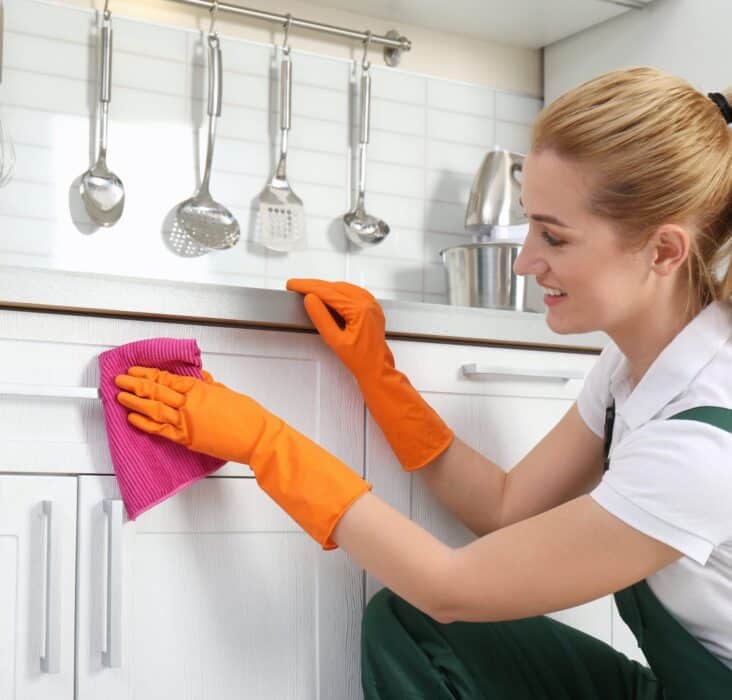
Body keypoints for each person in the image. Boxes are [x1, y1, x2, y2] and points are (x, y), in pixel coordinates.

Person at [114, 66, 732, 698]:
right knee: (410, 629)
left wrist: (266, 445)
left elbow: (448, 588)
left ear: (663, 251)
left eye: (554, 235)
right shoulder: (636, 368)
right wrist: (381, 379)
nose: (524, 260)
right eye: (528, 224)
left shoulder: (704, 445)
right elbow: (505, 507)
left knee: (430, 606)